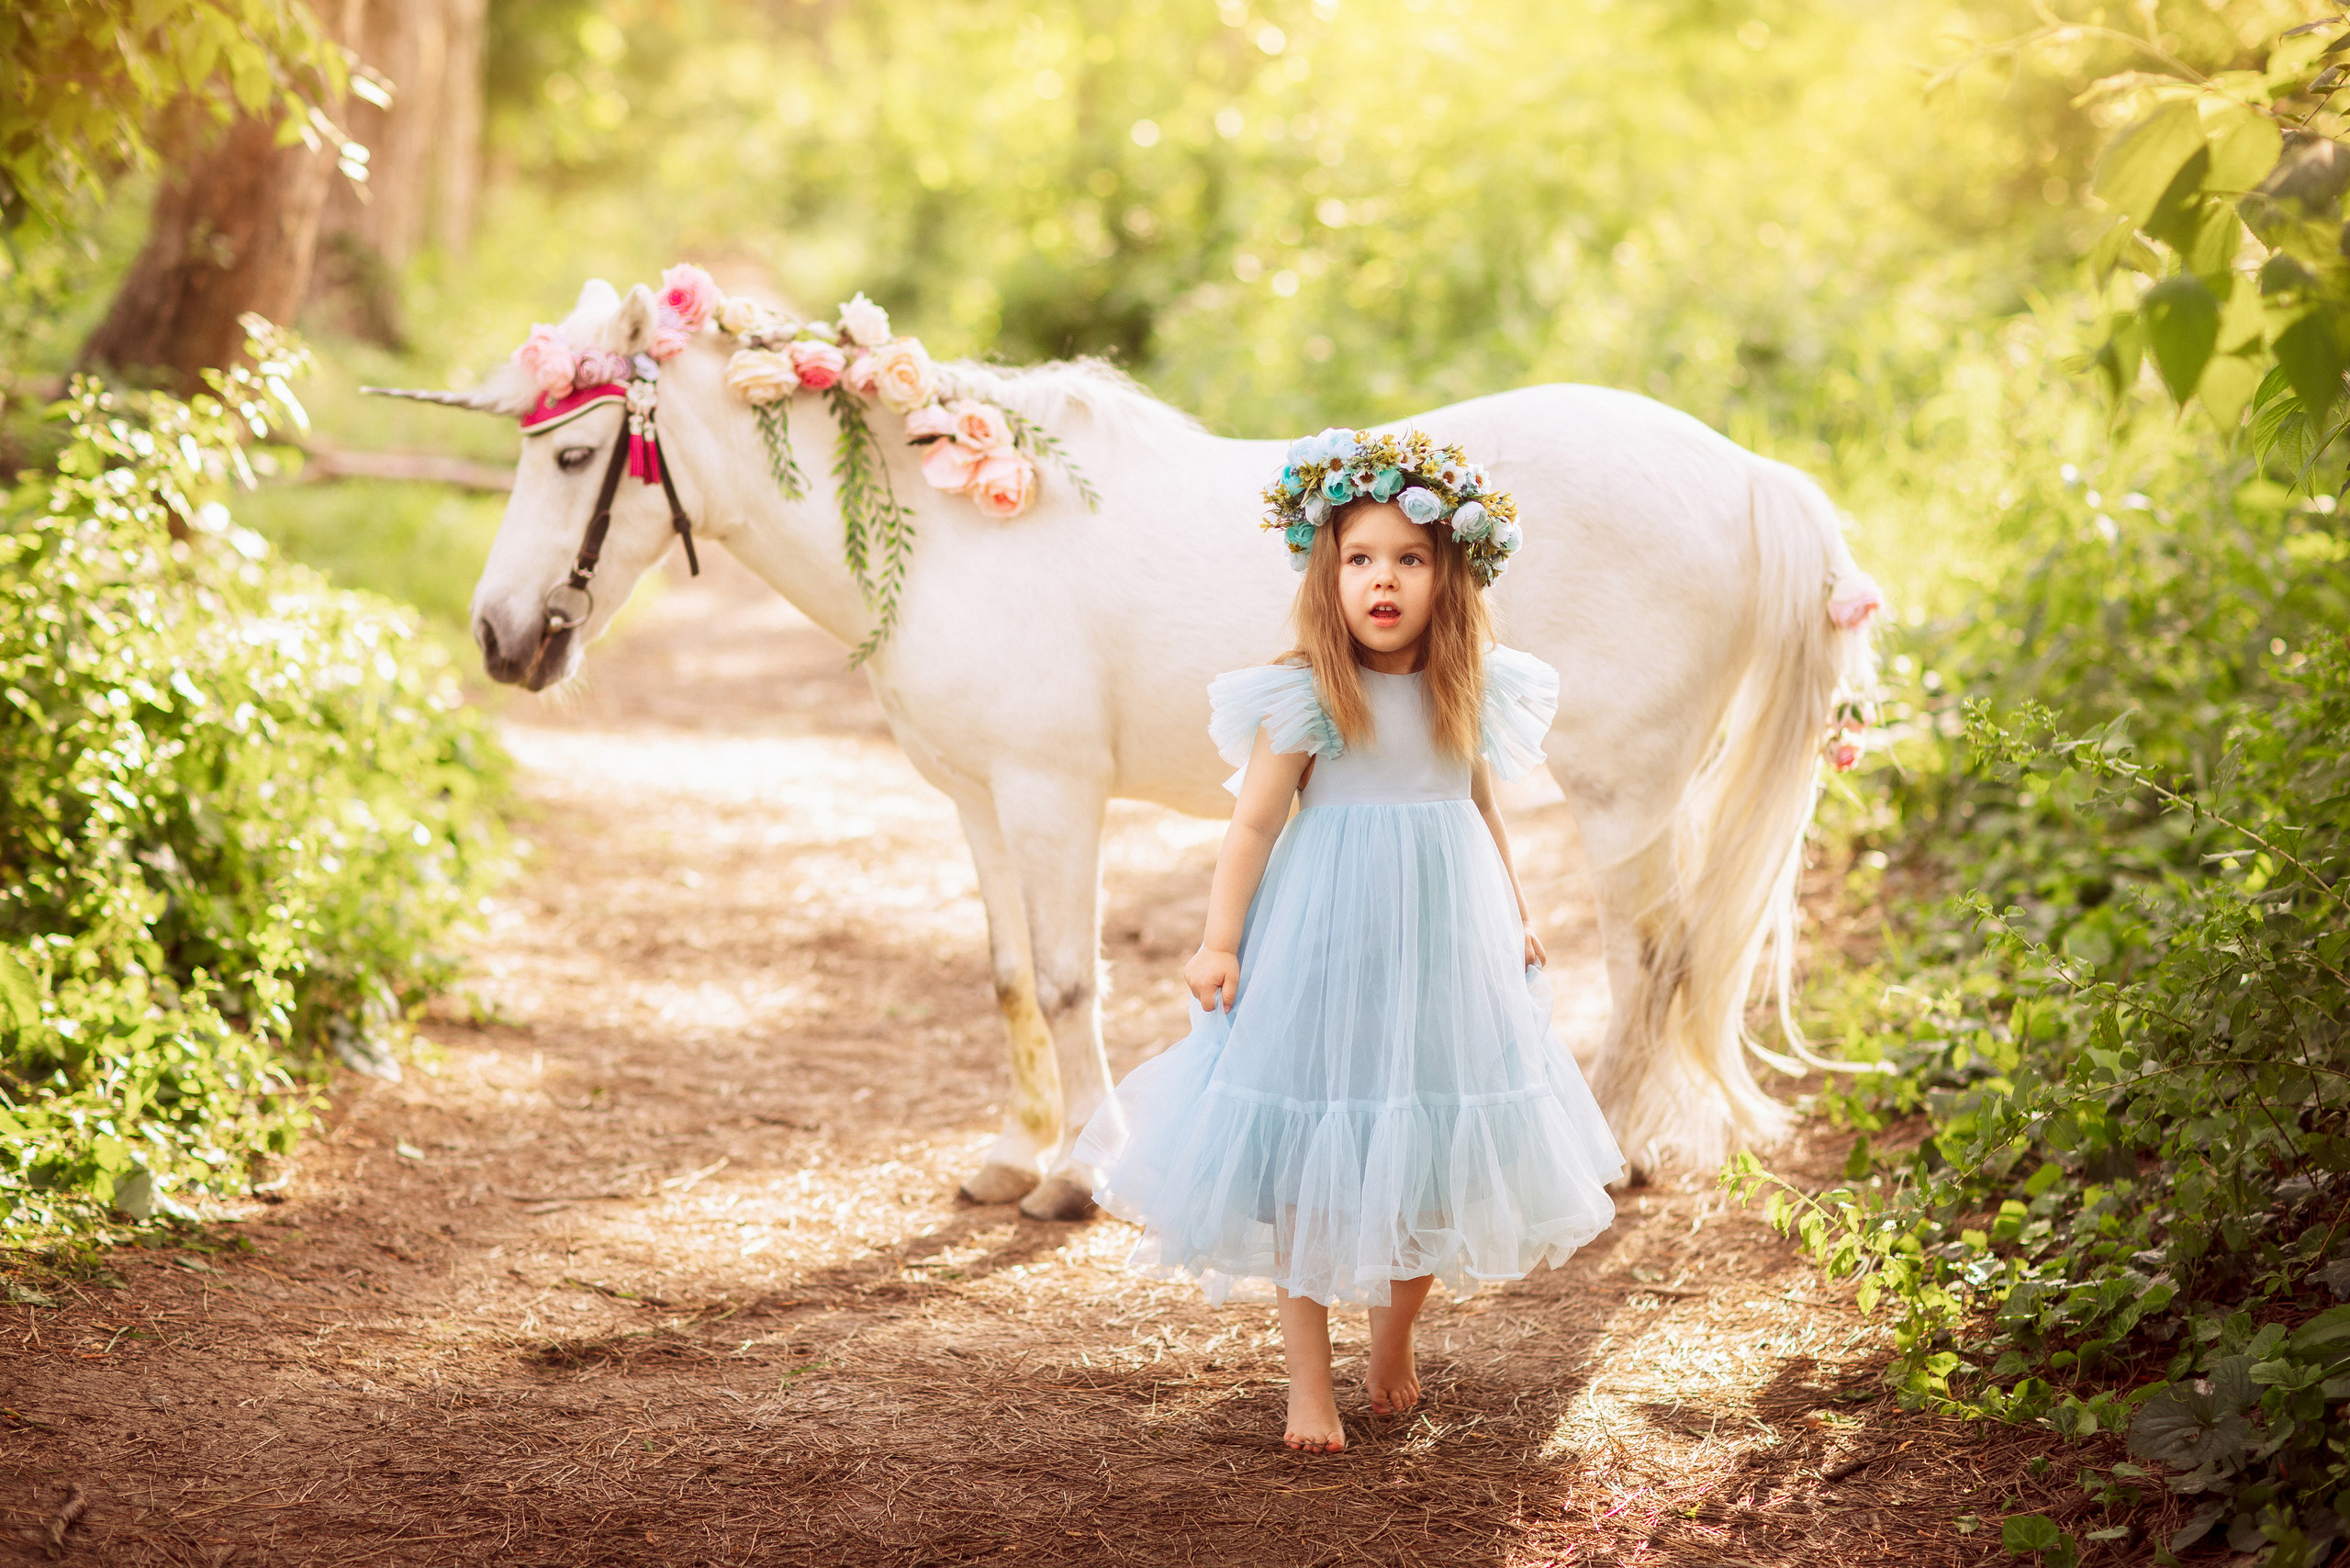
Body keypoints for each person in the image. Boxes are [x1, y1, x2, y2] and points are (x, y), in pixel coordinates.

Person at [1075, 428, 1626, 1454]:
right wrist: (1219, 941)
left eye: (1409, 560)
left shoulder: (1469, 687)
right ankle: (1306, 1383)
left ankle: (1392, 1344)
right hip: (1324, 941)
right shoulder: (1304, 697)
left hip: (1441, 944)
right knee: (1310, 1151)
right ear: (1327, 577)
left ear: (1447, 575)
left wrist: (1515, 912)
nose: (1384, 580)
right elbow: (1251, 825)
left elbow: (1481, 810)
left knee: (1420, 1146)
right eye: (1360, 560)